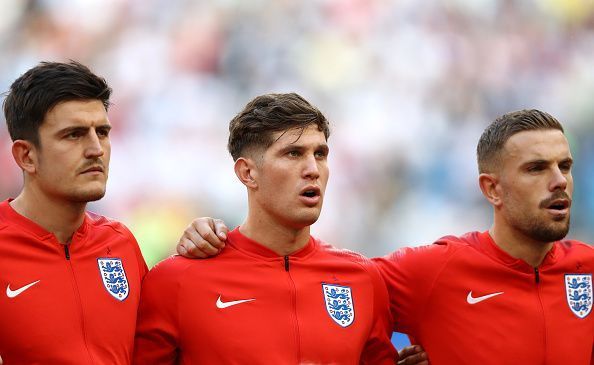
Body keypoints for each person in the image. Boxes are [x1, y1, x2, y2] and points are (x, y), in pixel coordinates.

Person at [181, 109, 594, 364]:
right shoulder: (431, 271)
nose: (559, 181)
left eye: (566, 165)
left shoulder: (587, 269)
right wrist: (218, 239)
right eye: (537, 168)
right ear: (492, 189)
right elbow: (300, 281)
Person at [133, 93, 400, 364]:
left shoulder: (362, 279)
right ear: (247, 173)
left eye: (320, 154)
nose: (313, 169)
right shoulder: (176, 281)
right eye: (293, 153)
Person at [0, 61, 148, 364]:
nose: (96, 149)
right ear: (26, 155)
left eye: (103, 132)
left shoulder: (120, 242)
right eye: (74, 134)